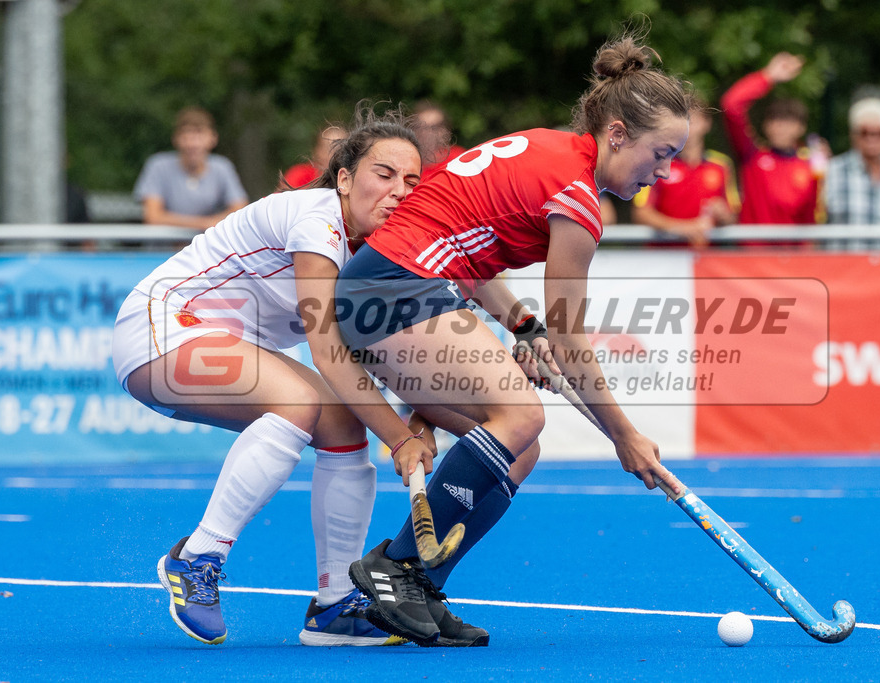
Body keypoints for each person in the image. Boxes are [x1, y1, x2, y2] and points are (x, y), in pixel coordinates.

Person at [317, 30, 688, 647]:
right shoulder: (579, 200)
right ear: (617, 133)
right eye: (661, 154)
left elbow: (467, 251)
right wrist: (626, 437)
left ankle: (423, 584)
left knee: (519, 448)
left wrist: (523, 326)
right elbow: (571, 345)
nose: (665, 172)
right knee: (521, 412)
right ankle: (395, 569)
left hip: (391, 288)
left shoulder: (552, 148)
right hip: (392, 289)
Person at [112, 105, 429, 647]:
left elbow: (379, 354)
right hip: (161, 326)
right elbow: (329, 352)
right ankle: (198, 557)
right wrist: (399, 436)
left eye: (412, 181)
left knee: (343, 428)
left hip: (228, 346)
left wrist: (418, 416)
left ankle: (334, 607)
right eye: (384, 174)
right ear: (346, 178)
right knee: (300, 404)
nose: (400, 190)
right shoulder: (318, 220)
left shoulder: (378, 252)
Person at [720, 52, 818, 225]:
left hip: (794, 252)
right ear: (766, 126)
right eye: (774, 120)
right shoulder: (752, 155)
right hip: (753, 251)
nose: (780, 127)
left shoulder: (811, 167)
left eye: (788, 121)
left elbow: (812, 221)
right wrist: (768, 76)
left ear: (801, 128)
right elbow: (731, 105)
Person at [631, 99, 739, 246]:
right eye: (684, 118)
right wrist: (683, 229)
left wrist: (724, 215)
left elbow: (734, 215)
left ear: (707, 124)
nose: (689, 125)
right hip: (663, 259)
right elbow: (641, 213)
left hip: (706, 260)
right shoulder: (657, 162)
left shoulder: (721, 165)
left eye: (694, 118)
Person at [134, 107, 249, 230]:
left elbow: (240, 210)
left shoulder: (222, 167)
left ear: (213, 138)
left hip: (210, 247)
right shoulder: (158, 165)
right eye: (186, 135)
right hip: (164, 247)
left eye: (199, 134)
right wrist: (206, 224)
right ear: (175, 139)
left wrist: (207, 226)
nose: (192, 143)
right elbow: (153, 217)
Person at [823, 97, 880, 224]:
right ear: (853, 135)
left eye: (878, 133)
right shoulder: (832, 170)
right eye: (864, 132)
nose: (871, 139)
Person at [280, 125, 349, 189]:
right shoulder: (299, 175)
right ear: (316, 151)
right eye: (328, 148)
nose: (334, 154)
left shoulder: (351, 179)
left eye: (340, 149)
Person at [414, 100, 466, 178]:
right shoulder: (409, 163)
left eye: (435, 127)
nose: (429, 132)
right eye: (423, 127)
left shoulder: (459, 158)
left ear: (446, 130)